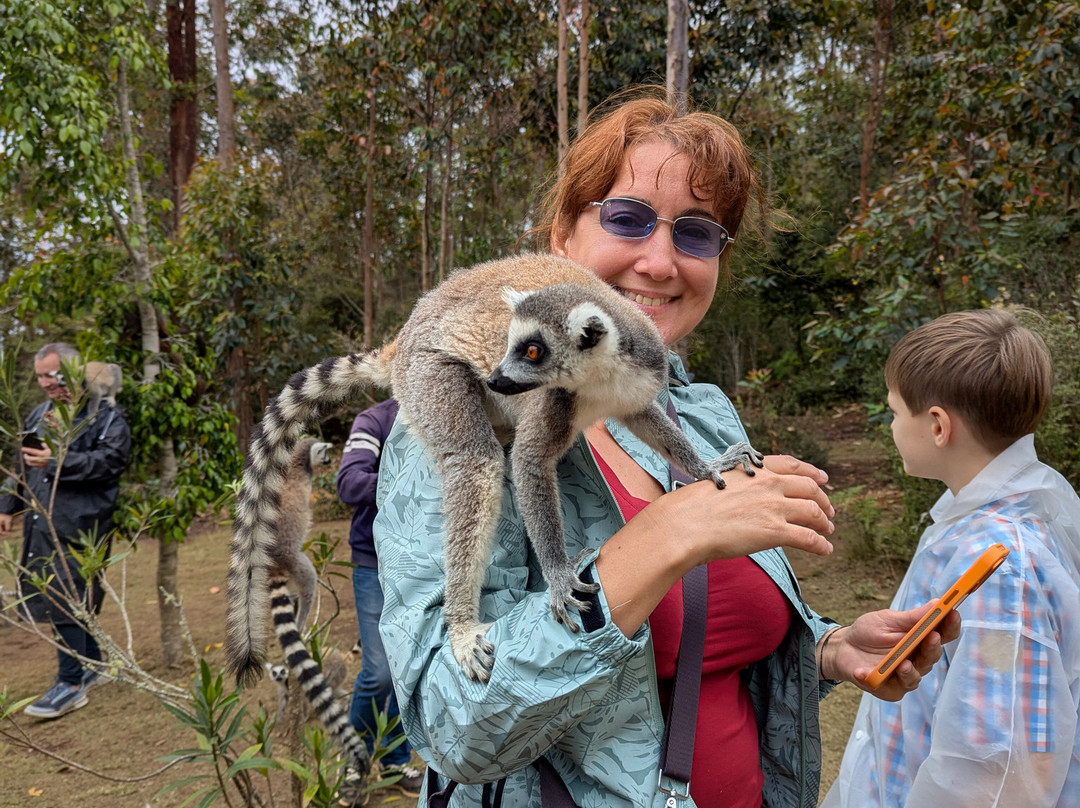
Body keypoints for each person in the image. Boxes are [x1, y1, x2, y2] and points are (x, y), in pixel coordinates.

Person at [373, 93, 959, 808]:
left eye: (698, 233)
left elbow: (711, 648)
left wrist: (829, 649)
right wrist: (661, 539)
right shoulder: (463, 421)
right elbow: (452, 729)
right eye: (626, 218)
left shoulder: (702, 416)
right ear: (561, 238)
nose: (659, 260)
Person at [822, 309, 1080, 808]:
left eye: (895, 412)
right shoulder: (992, 519)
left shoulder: (1003, 566)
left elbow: (999, 769)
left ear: (938, 426)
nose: (892, 425)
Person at [0, 342, 132, 720]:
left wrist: (58, 461)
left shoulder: (105, 415)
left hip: (83, 523)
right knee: (61, 595)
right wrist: (7, 505)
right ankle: (92, 664)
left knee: (64, 597)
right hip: (43, 522)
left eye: (51, 374)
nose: (44, 383)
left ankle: (71, 683)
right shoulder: (39, 414)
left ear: (74, 371)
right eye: (39, 375)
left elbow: (111, 462)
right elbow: (21, 463)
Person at [335, 397, 423, 802]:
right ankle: (353, 764)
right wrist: (407, 481)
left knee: (409, 668)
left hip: (422, 562)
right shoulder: (374, 420)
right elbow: (349, 482)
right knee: (380, 673)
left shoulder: (441, 412)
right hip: (373, 561)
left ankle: (394, 761)